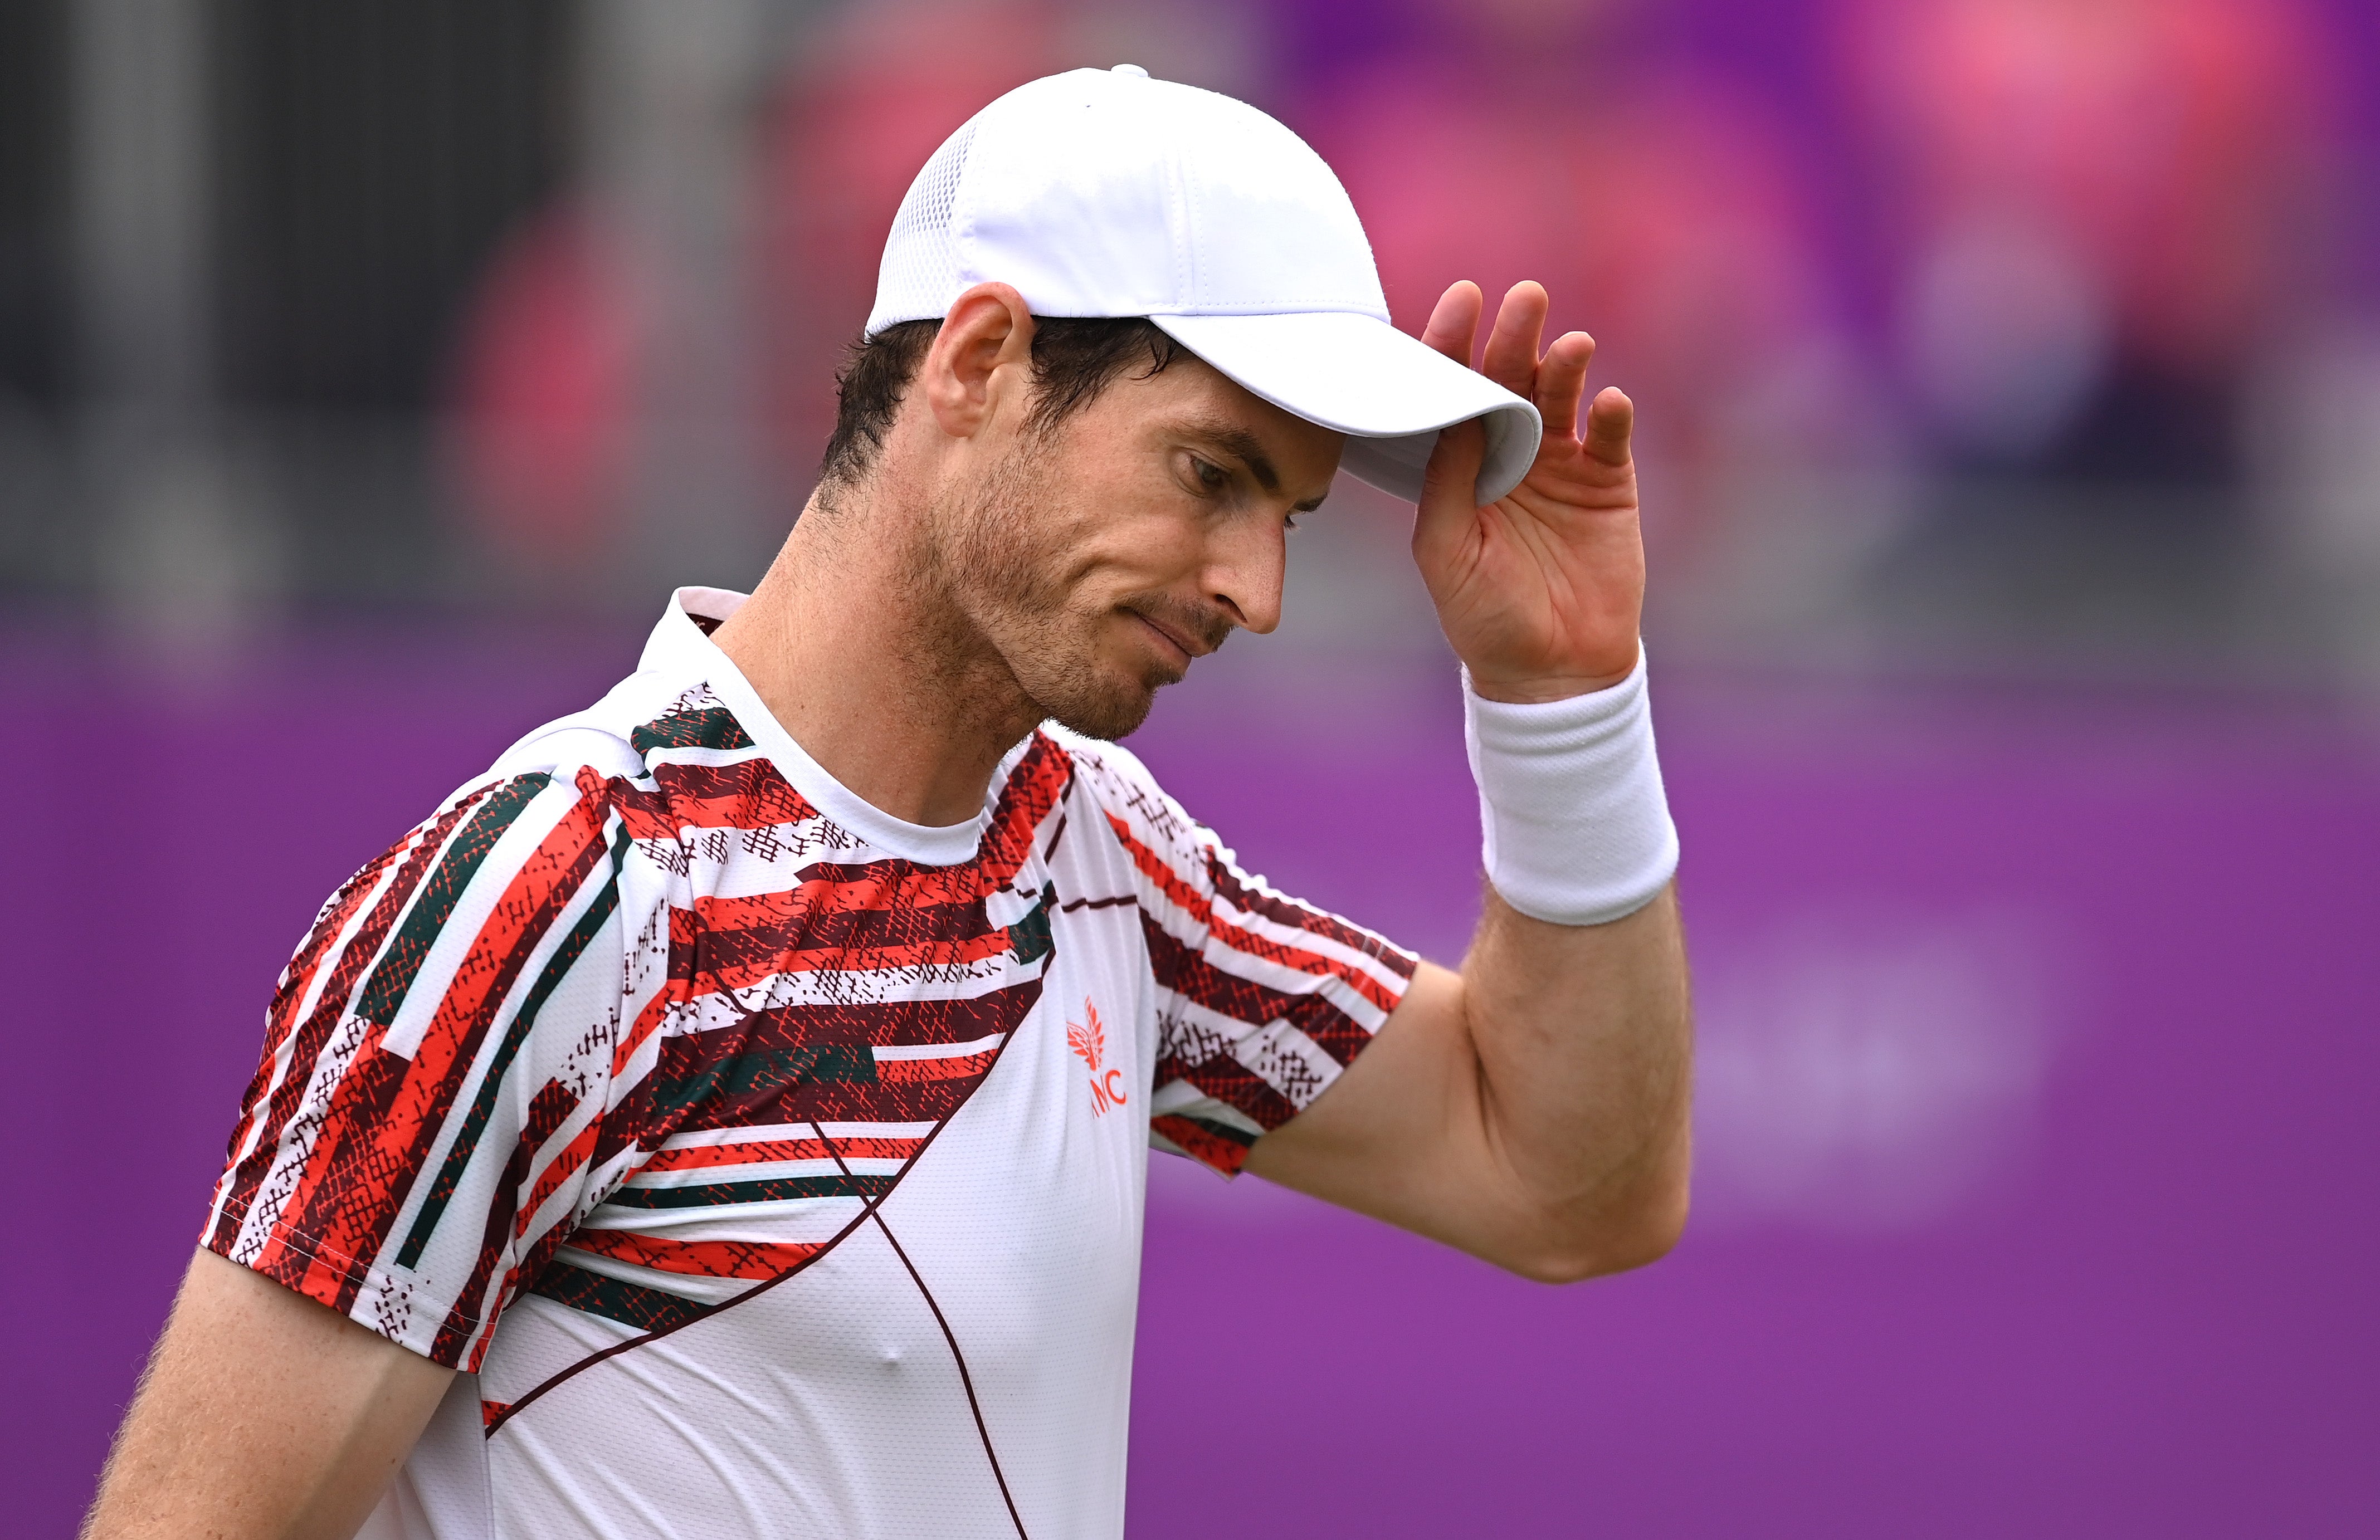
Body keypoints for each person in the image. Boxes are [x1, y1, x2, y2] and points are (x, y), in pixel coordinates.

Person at [84, 66, 1691, 1540]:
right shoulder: (544, 900)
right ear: (980, 363)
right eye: (1209, 475)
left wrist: (1564, 693)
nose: (1257, 589)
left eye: (1290, 511)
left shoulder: (1103, 856)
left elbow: (1568, 1181)